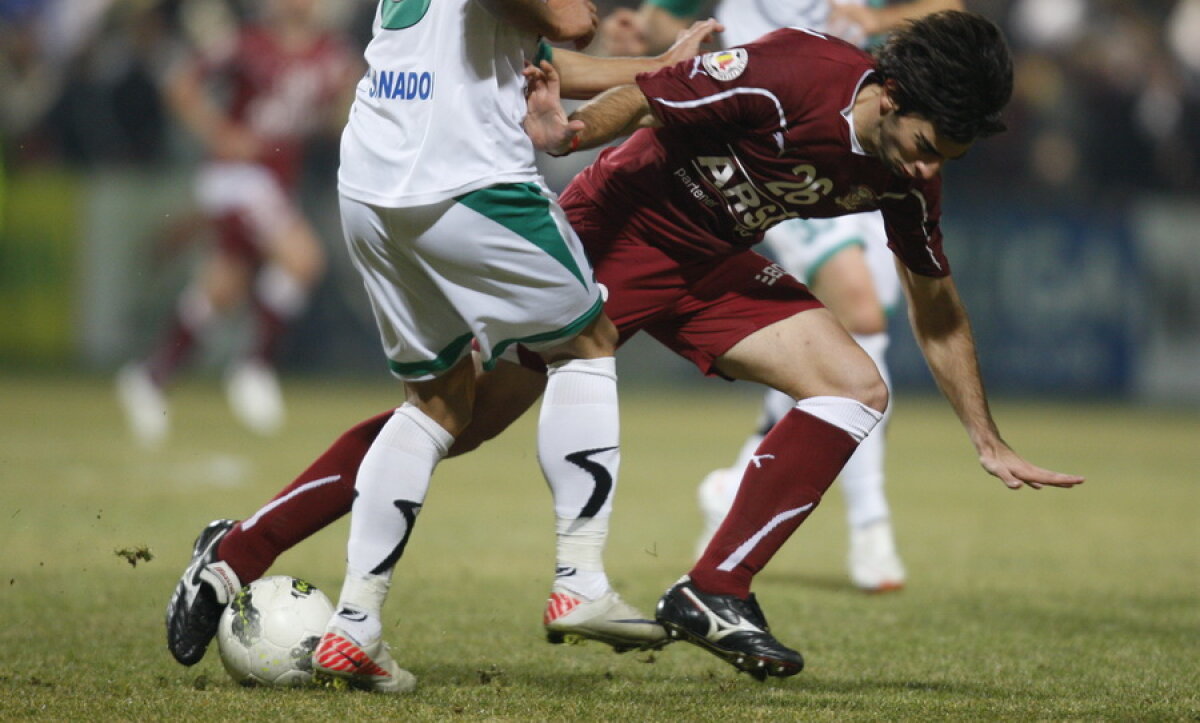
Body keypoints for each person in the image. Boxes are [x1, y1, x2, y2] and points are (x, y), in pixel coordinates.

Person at [169, 10, 1084, 683]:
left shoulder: (906, 174)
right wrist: (568, 133)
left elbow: (936, 304)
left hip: (712, 265)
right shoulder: (794, 73)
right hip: (619, 232)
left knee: (854, 385)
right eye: (925, 145)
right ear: (889, 93)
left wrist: (985, 436)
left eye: (945, 158)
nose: (926, 168)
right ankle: (242, 547)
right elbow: (648, 97)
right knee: (455, 417)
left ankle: (715, 586)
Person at [164, 0, 723, 693]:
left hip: (374, 185)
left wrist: (656, 66)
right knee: (585, 343)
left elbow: (530, 53)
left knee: (439, 404)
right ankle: (581, 579)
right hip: (465, 178)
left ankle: (353, 625)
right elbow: (568, 20)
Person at [601, 0, 965, 594]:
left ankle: (738, 480)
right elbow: (678, 17)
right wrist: (645, 32)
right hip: (780, 144)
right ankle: (870, 527)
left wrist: (877, 23)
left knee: (860, 338)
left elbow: (950, 13)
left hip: (876, 151)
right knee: (861, 311)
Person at [115, 0, 358, 445]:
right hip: (237, 178)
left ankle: (151, 375)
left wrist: (343, 110)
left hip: (277, 183)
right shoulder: (247, 44)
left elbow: (340, 113)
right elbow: (181, 84)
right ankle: (255, 366)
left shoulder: (332, 54)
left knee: (222, 289)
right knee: (303, 259)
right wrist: (218, 132)